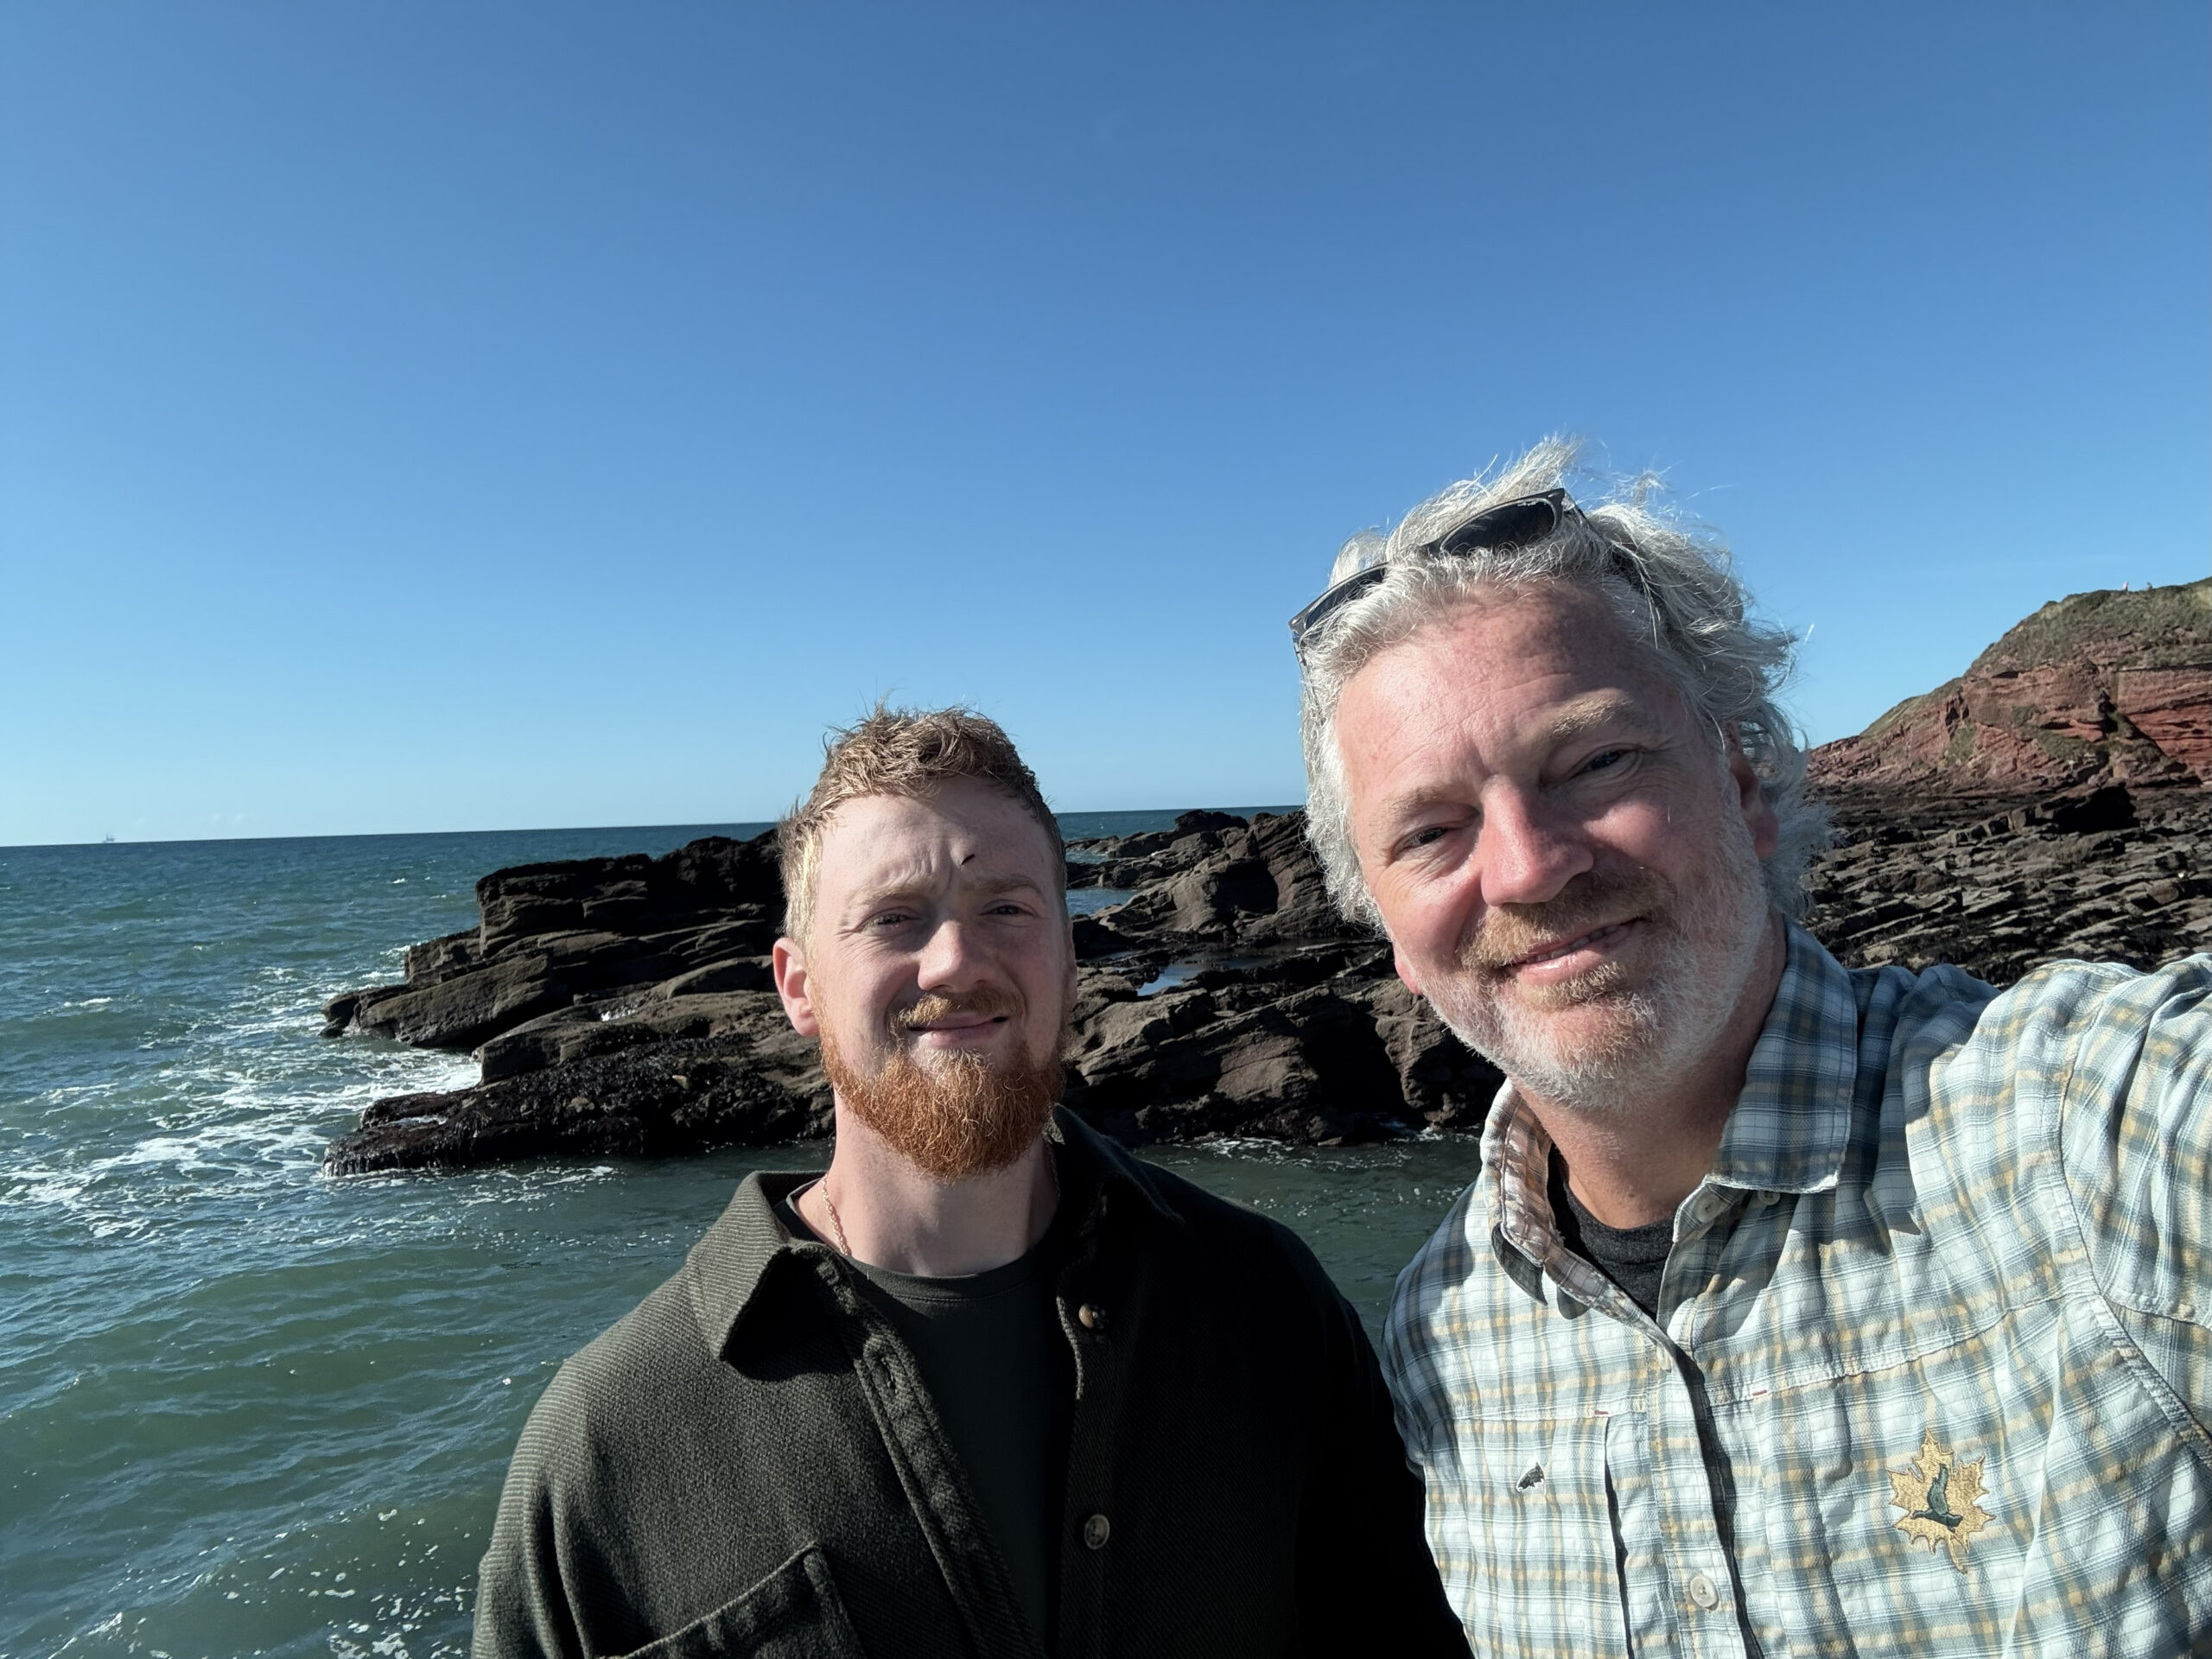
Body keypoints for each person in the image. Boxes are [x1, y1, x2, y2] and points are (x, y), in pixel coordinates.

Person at [1288, 439, 2210, 1657]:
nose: (1528, 868)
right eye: (1430, 832)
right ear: (1391, 938)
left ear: (1745, 784)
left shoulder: (2087, 1128)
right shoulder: (1435, 1338)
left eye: (1597, 761)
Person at [474, 706, 1468, 1657]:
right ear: (797, 986)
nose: (954, 960)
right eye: (893, 918)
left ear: (1069, 958)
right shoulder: (609, 1439)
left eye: (1005, 908)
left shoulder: (1266, 1307)